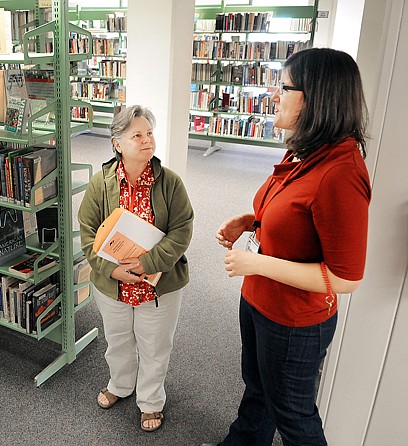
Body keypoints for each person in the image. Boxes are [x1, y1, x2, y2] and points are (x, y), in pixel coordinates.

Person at [202, 48, 371, 446]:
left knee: (294, 417)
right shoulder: (305, 150)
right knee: (257, 393)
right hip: (261, 301)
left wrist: (258, 265)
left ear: (315, 98)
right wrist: (253, 220)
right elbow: (296, 215)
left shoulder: (341, 174)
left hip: (294, 320)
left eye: (283, 87)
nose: (273, 94)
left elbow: (346, 279)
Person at [78, 105, 194, 432]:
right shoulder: (101, 184)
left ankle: (151, 401)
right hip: (113, 283)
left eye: (150, 133)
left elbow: (182, 228)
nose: (147, 140)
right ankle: (121, 384)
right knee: (118, 340)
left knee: (155, 346)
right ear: (117, 143)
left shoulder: (170, 182)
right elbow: (87, 231)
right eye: (137, 135)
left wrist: (149, 262)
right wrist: (110, 270)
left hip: (157, 284)